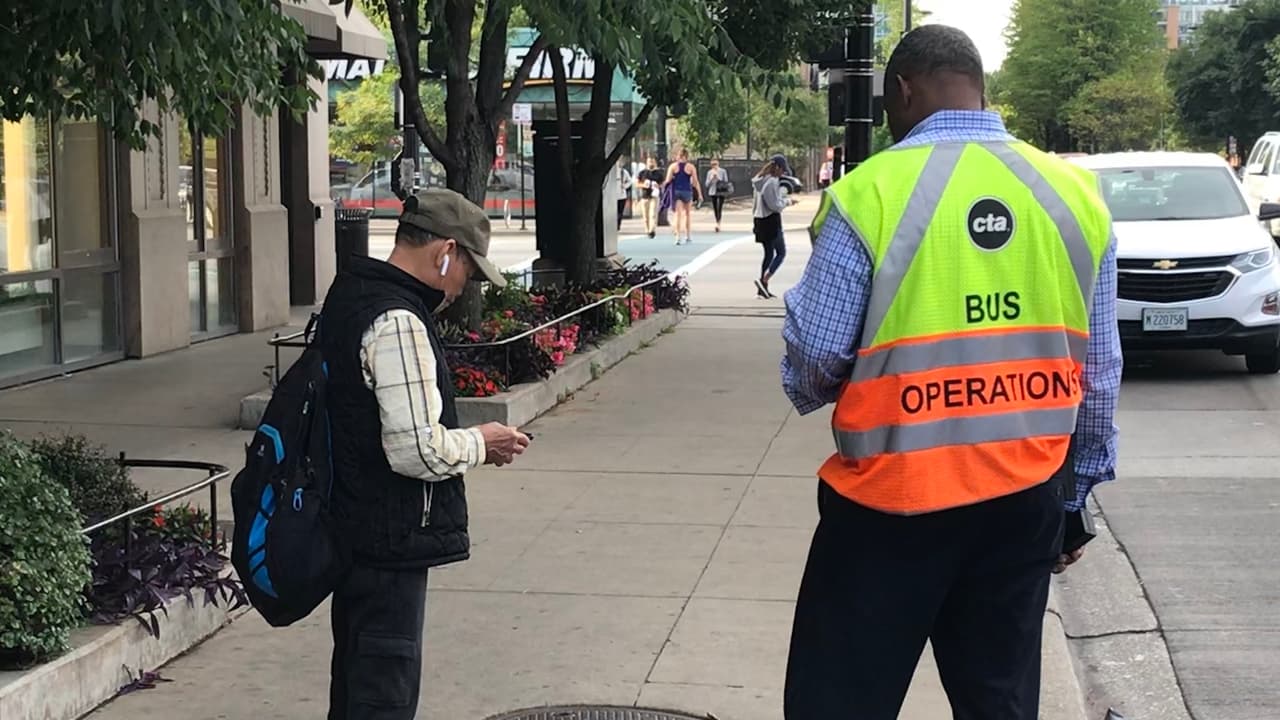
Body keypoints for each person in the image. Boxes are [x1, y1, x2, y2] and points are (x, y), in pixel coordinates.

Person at [780, 25, 1121, 720]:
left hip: (891, 503)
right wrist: (1073, 496)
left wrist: (815, 391)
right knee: (998, 703)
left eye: (886, 104)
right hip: (1022, 494)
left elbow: (815, 355)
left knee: (838, 703)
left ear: (903, 89)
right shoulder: (1074, 195)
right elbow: (1101, 370)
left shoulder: (871, 192)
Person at [318, 187, 532, 719]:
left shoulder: (351, 295)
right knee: (382, 698)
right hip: (390, 542)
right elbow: (416, 449)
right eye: (469, 271)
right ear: (445, 252)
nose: (465, 287)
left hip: (353, 531)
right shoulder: (399, 322)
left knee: (355, 688)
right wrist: (485, 442)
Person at [751, 154, 792, 299]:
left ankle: (763, 289)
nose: (783, 173)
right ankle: (764, 280)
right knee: (780, 252)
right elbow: (774, 205)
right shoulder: (772, 182)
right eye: (783, 169)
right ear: (778, 168)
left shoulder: (761, 181)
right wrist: (787, 202)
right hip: (770, 220)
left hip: (760, 219)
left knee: (769, 253)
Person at [665, 148, 702, 245]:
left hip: (677, 191)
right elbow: (695, 182)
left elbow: (668, 180)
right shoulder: (690, 167)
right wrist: (699, 194)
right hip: (687, 191)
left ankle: (677, 237)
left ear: (678, 156)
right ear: (687, 157)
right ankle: (688, 235)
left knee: (678, 214)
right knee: (687, 214)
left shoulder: (673, 166)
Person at [637, 156, 662, 238]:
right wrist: (643, 185)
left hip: (654, 196)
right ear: (646, 162)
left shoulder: (659, 173)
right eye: (649, 161)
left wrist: (658, 185)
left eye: (652, 161)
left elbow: (663, 183)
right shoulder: (642, 173)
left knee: (653, 214)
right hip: (645, 196)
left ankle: (652, 230)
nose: (651, 163)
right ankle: (647, 230)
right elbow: (637, 183)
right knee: (645, 216)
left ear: (655, 162)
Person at [705, 159, 730, 233]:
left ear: (718, 164)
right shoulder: (709, 172)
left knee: (720, 207)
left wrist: (718, 178)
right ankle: (717, 221)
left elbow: (726, 181)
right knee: (715, 207)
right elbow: (707, 184)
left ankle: (718, 223)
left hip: (721, 191)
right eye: (712, 164)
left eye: (715, 164)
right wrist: (712, 178)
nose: (714, 166)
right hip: (713, 191)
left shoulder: (722, 171)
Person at [616, 159, 633, 231]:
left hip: (622, 195)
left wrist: (624, 186)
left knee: (620, 212)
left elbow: (630, 181)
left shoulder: (623, 172)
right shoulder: (610, 172)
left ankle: (618, 225)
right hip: (612, 196)